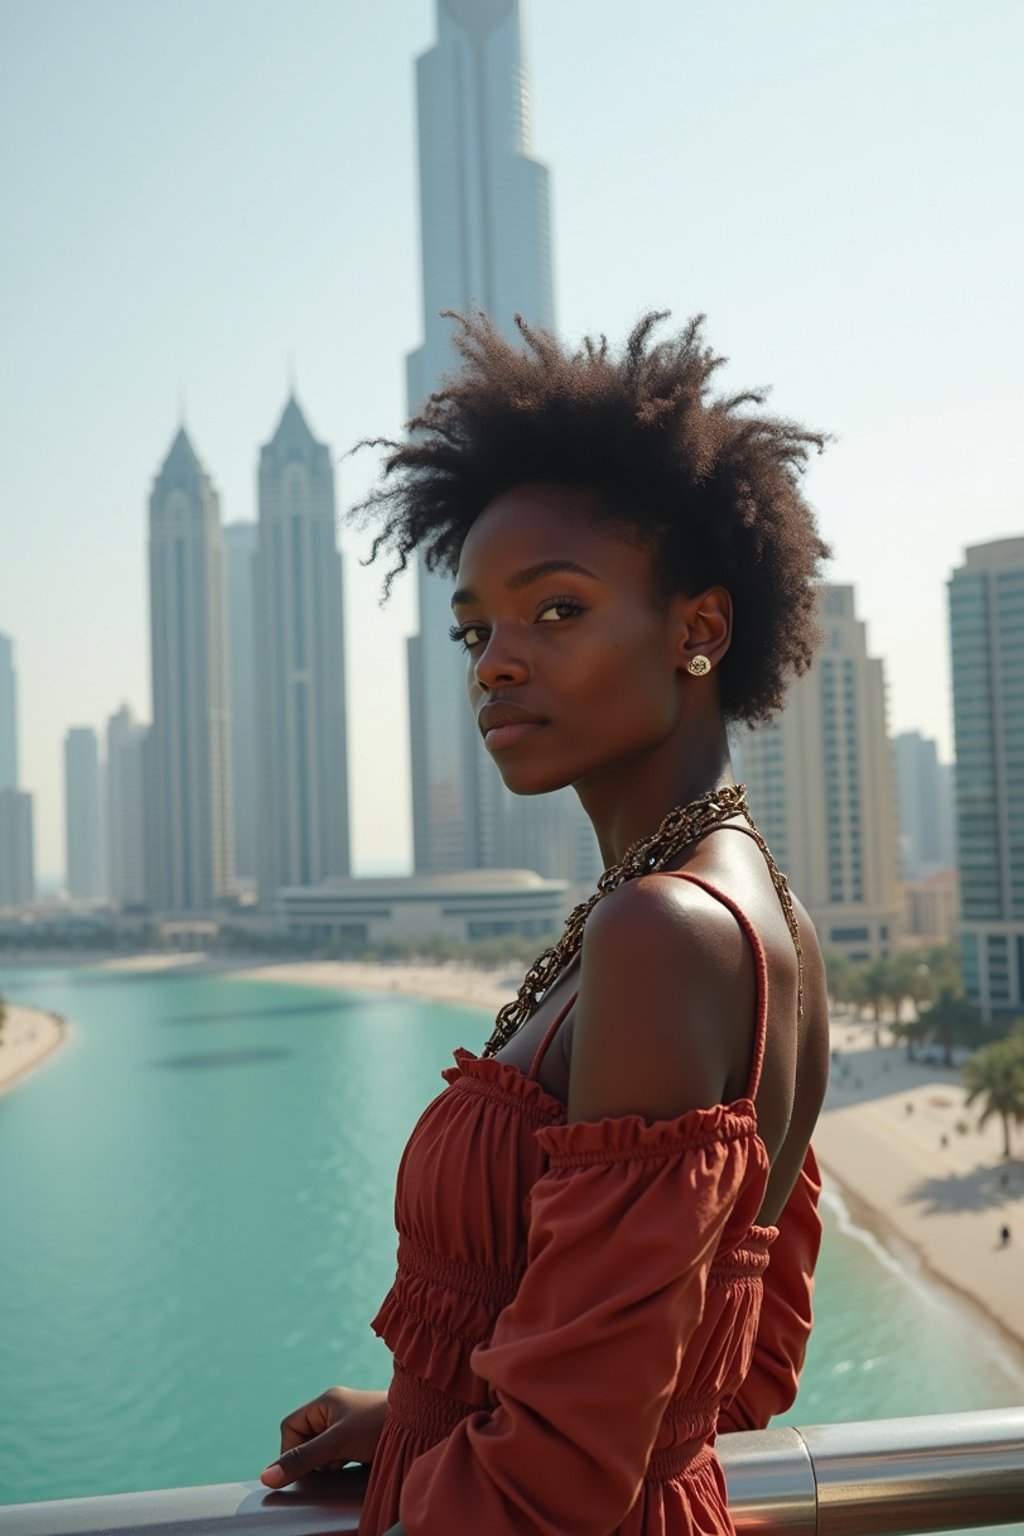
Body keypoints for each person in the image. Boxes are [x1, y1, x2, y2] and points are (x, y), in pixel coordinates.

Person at [260, 312, 831, 1534]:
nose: (494, 663)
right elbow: (722, 1356)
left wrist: (450, 1467)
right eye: (475, 629)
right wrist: (420, 1407)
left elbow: (552, 1483)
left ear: (699, 629)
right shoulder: (757, 907)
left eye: (556, 611)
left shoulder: (662, 932)